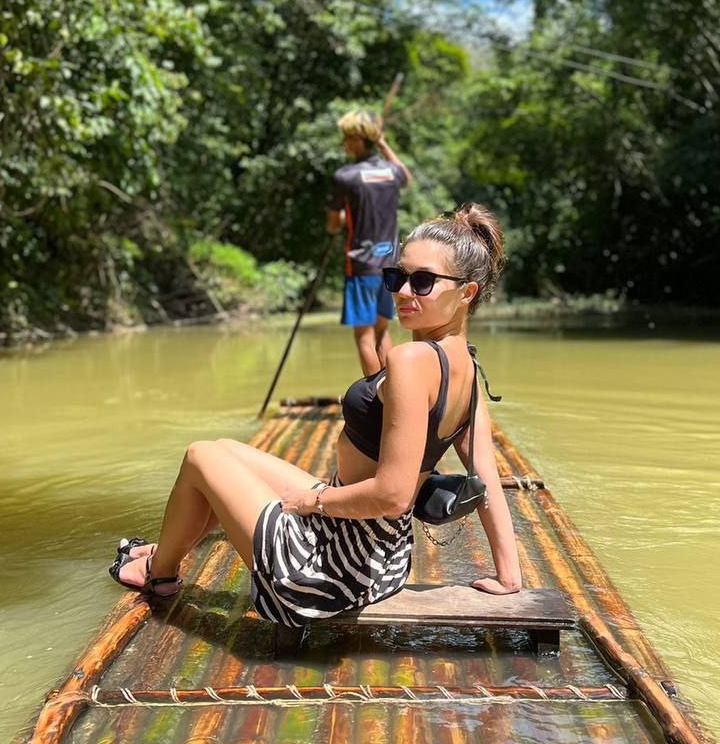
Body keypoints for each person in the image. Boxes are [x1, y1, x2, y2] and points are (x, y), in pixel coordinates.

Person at [108, 203, 522, 617]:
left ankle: (158, 572)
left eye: (423, 281)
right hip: (384, 558)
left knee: (201, 454)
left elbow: (393, 496)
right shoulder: (465, 363)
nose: (402, 291)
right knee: (226, 451)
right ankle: (167, 551)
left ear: (466, 292)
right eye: (397, 276)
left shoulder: (413, 361)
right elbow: (484, 474)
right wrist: (509, 574)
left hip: (327, 570)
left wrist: (314, 500)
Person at [326, 109, 412, 378]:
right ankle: (393, 393)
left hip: (362, 265)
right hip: (391, 264)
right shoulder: (391, 173)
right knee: (381, 331)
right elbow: (406, 176)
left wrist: (339, 219)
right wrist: (384, 143)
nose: (344, 144)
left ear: (359, 140)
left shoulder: (346, 176)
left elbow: (332, 223)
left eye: (347, 138)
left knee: (364, 336)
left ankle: (374, 402)